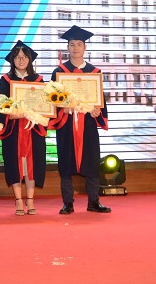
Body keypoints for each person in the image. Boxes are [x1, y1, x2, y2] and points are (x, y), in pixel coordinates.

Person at [51, 25, 112, 215]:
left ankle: (93, 201)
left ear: (85, 48)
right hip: (66, 124)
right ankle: (67, 203)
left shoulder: (94, 73)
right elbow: (52, 101)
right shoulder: (59, 73)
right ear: (67, 48)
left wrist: (97, 112)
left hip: (87, 125)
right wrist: (63, 108)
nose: (75, 48)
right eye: (72, 44)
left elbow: (100, 101)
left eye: (79, 44)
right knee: (66, 162)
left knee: (91, 162)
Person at [0, 40, 50, 216]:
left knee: (32, 165)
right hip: (13, 129)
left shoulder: (39, 81)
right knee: (15, 164)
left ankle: (30, 199)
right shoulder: (5, 80)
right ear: (12, 60)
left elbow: (45, 105)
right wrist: (9, 114)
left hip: (33, 130)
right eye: (18, 57)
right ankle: (18, 199)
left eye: (24, 57)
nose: (21, 60)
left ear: (30, 59)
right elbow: (0, 105)